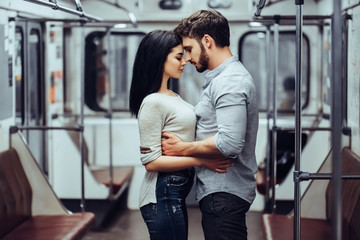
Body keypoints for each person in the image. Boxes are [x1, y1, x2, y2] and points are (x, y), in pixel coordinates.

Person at [161, 10, 259, 240]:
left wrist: (182, 149)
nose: (186, 58)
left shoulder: (229, 82)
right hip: (220, 193)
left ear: (207, 41)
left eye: (189, 49)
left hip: (224, 193)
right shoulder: (222, 79)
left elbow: (230, 143)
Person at [129, 30, 232, 240]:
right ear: (159, 59)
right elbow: (151, 162)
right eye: (178, 57)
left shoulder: (171, 96)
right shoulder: (152, 102)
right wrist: (202, 160)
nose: (184, 61)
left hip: (172, 194)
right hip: (161, 194)